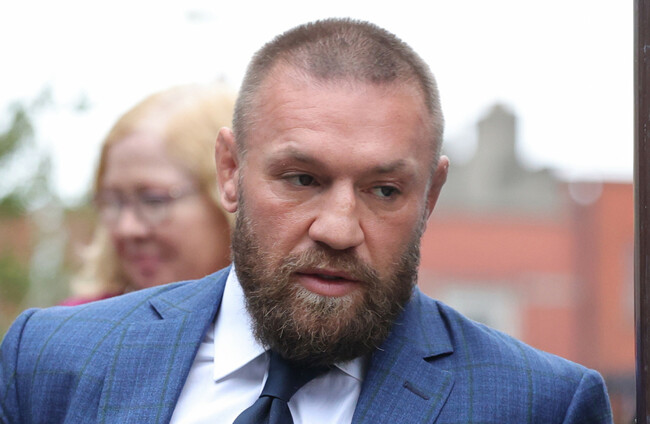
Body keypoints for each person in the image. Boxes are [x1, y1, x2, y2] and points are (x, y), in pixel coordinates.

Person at [0, 19, 612, 423]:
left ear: (430, 196)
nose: (339, 229)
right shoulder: (51, 362)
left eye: (384, 190)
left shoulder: (539, 404)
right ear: (231, 170)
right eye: (302, 180)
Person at [61, 84, 234, 305]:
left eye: (153, 201)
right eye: (113, 202)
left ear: (229, 190)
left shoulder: (271, 321)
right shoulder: (80, 321)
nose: (127, 228)